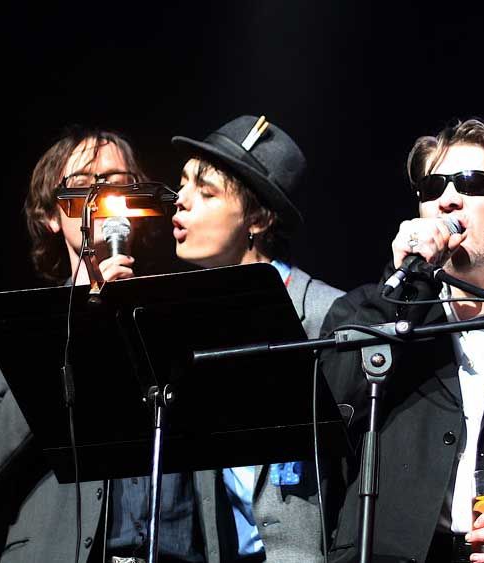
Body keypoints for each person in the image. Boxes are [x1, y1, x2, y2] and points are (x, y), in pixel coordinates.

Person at [320, 119, 484, 563]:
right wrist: (400, 293)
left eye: (471, 183)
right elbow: (330, 405)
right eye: (432, 188)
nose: (446, 200)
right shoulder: (368, 310)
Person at [0, 127, 212, 563]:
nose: (101, 198)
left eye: (117, 183)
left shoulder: (176, 312)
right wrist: (73, 319)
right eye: (81, 185)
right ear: (51, 216)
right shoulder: (15, 326)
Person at [170, 115, 344, 563]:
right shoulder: (182, 324)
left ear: (260, 218)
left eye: (205, 192)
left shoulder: (327, 315)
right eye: (183, 184)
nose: (181, 201)